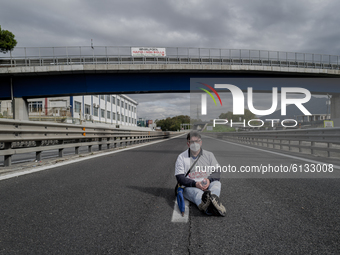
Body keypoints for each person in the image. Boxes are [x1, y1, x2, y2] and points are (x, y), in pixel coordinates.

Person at [175, 131, 226, 216]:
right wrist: (195, 184)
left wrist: (209, 180)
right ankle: (206, 204)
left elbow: (217, 171)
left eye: (197, 141)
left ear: (201, 142)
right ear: (188, 144)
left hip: (207, 183)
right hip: (191, 185)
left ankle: (212, 199)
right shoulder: (181, 157)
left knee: (217, 184)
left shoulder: (209, 155)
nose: (195, 144)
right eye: (192, 142)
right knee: (197, 194)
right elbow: (179, 177)